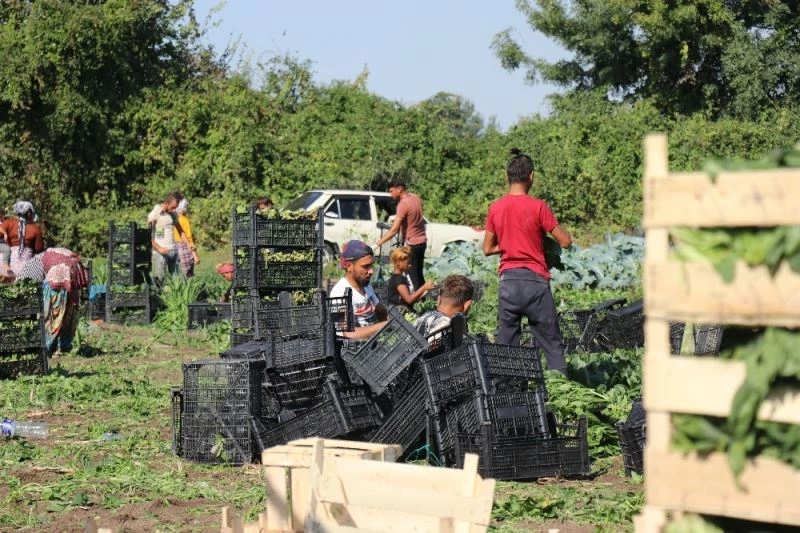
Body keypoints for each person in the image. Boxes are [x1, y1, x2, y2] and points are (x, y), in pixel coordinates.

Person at [483, 149, 573, 374]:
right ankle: (560, 392)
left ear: (507, 176)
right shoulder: (538, 206)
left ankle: (511, 394)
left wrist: (510, 245)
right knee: (552, 344)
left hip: (509, 283)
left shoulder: (496, 208)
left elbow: (487, 248)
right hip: (535, 284)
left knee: (508, 345)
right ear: (531, 176)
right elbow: (565, 241)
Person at [374, 178, 427, 291]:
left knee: (412, 277)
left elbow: (394, 230)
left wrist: (377, 244)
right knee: (419, 274)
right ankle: (425, 301)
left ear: (399, 189)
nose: (390, 194)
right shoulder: (415, 198)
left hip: (412, 243)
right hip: (422, 241)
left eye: (391, 191)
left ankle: (417, 303)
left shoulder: (403, 205)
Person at [328, 240, 388, 340]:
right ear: (349, 267)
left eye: (371, 265)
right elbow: (347, 334)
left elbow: (381, 312)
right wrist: (383, 326)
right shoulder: (339, 293)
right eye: (366, 267)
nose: (371, 271)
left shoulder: (366, 286)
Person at [40, 248, 89, 355]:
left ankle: (49, 347)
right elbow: (83, 279)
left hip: (52, 289)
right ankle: (63, 346)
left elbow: (42, 274)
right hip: (70, 289)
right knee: (67, 319)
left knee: (51, 318)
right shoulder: (74, 259)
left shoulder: (47, 255)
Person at [386, 246, 435, 314]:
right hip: (398, 314)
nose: (410, 265)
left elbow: (408, 299)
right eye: (408, 263)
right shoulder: (398, 280)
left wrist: (425, 291)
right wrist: (424, 287)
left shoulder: (398, 278)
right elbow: (409, 299)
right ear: (399, 263)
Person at [0, 201, 44, 275]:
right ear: (29, 213)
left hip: (4, 267)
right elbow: (38, 249)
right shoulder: (35, 229)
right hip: (25, 270)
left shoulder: (8, 223)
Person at [147, 193, 183, 283]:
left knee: (176, 281)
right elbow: (147, 234)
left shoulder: (173, 214)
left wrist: (189, 245)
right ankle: (157, 296)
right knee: (159, 280)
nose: (174, 210)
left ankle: (174, 297)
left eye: (176, 207)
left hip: (173, 251)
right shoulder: (156, 211)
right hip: (160, 252)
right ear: (167, 203)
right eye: (173, 207)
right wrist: (159, 248)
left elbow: (180, 230)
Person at [173, 196, 200, 277]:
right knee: (188, 275)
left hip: (173, 248)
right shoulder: (184, 219)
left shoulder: (170, 218)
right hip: (184, 248)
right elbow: (189, 238)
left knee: (176, 276)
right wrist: (195, 256)